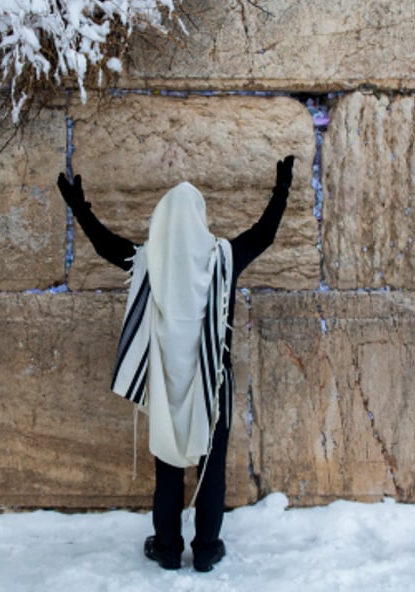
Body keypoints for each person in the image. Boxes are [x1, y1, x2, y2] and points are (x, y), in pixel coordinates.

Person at [57, 156, 295, 572]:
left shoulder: (149, 262)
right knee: (211, 464)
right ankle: (206, 549)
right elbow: (265, 234)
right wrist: (281, 190)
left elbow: (105, 244)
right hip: (213, 382)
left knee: (168, 464)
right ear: (200, 219)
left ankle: (167, 548)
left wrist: (80, 208)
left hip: (166, 380)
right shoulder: (223, 259)